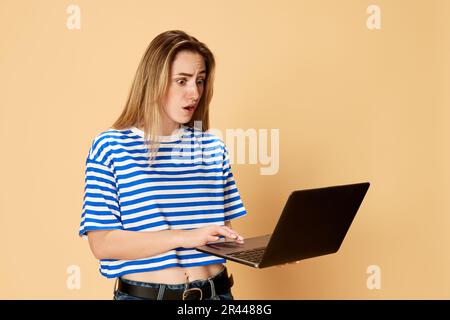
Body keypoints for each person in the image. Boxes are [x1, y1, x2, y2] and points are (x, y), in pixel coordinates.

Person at [79, 30, 247, 300]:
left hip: (217, 295)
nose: (194, 93)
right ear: (152, 82)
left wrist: (268, 253)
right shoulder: (111, 146)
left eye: (200, 81)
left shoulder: (213, 148)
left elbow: (218, 237)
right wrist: (184, 236)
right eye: (182, 81)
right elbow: (103, 243)